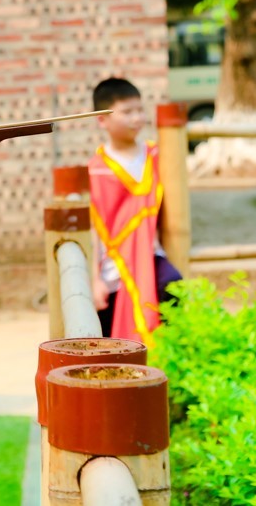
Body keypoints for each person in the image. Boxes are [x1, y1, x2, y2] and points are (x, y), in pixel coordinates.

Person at [89, 77, 182, 346]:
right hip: (114, 269)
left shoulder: (157, 156)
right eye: (127, 112)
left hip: (151, 256)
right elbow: (95, 229)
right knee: (113, 342)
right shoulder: (96, 169)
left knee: (173, 287)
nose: (137, 118)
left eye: (140, 110)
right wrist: (95, 280)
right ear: (102, 119)